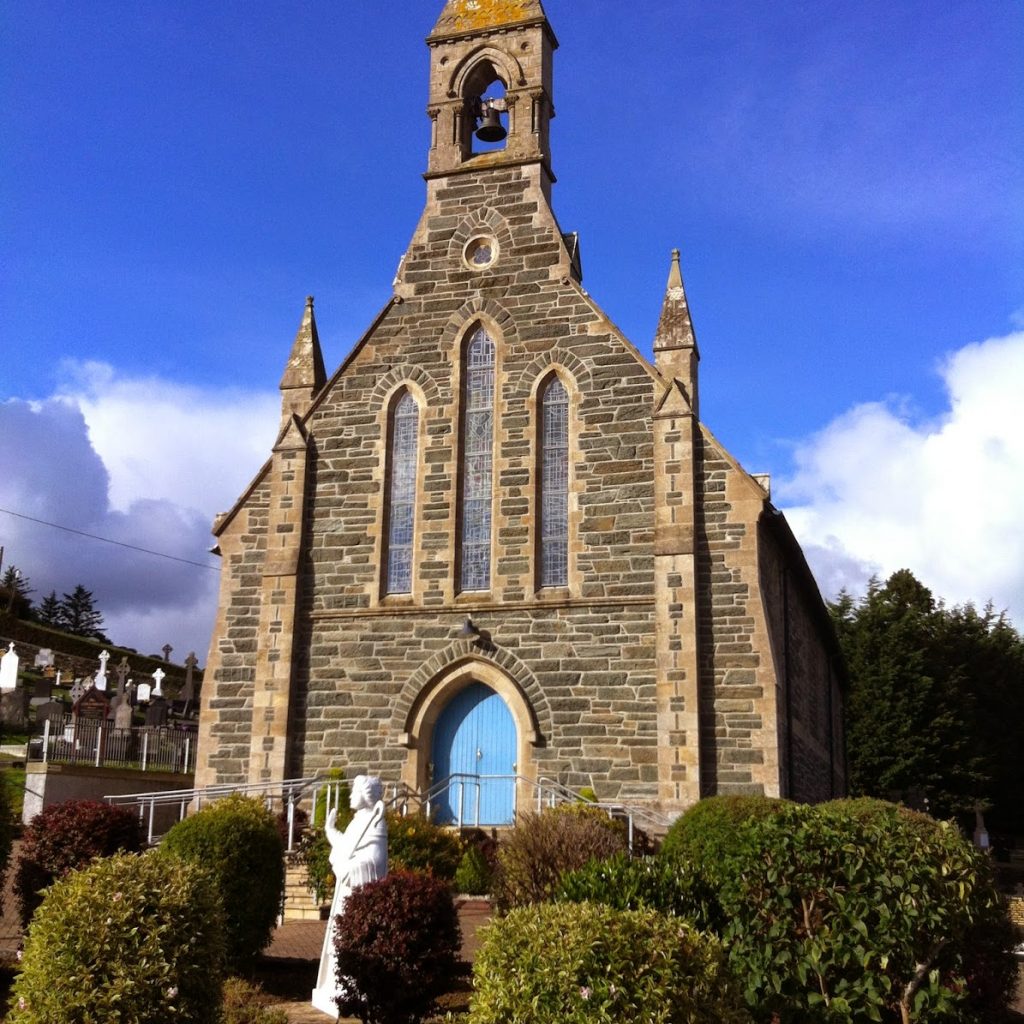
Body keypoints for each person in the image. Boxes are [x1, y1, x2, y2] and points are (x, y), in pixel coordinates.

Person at [311, 774, 388, 1018]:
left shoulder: (376, 823)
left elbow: (375, 861)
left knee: (352, 938)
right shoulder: (358, 822)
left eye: (355, 792)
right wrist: (330, 830)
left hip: (358, 891)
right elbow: (346, 848)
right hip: (345, 890)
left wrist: (349, 869)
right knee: (338, 938)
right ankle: (335, 986)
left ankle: (353, 989)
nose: (351, 796)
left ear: (366, 796)